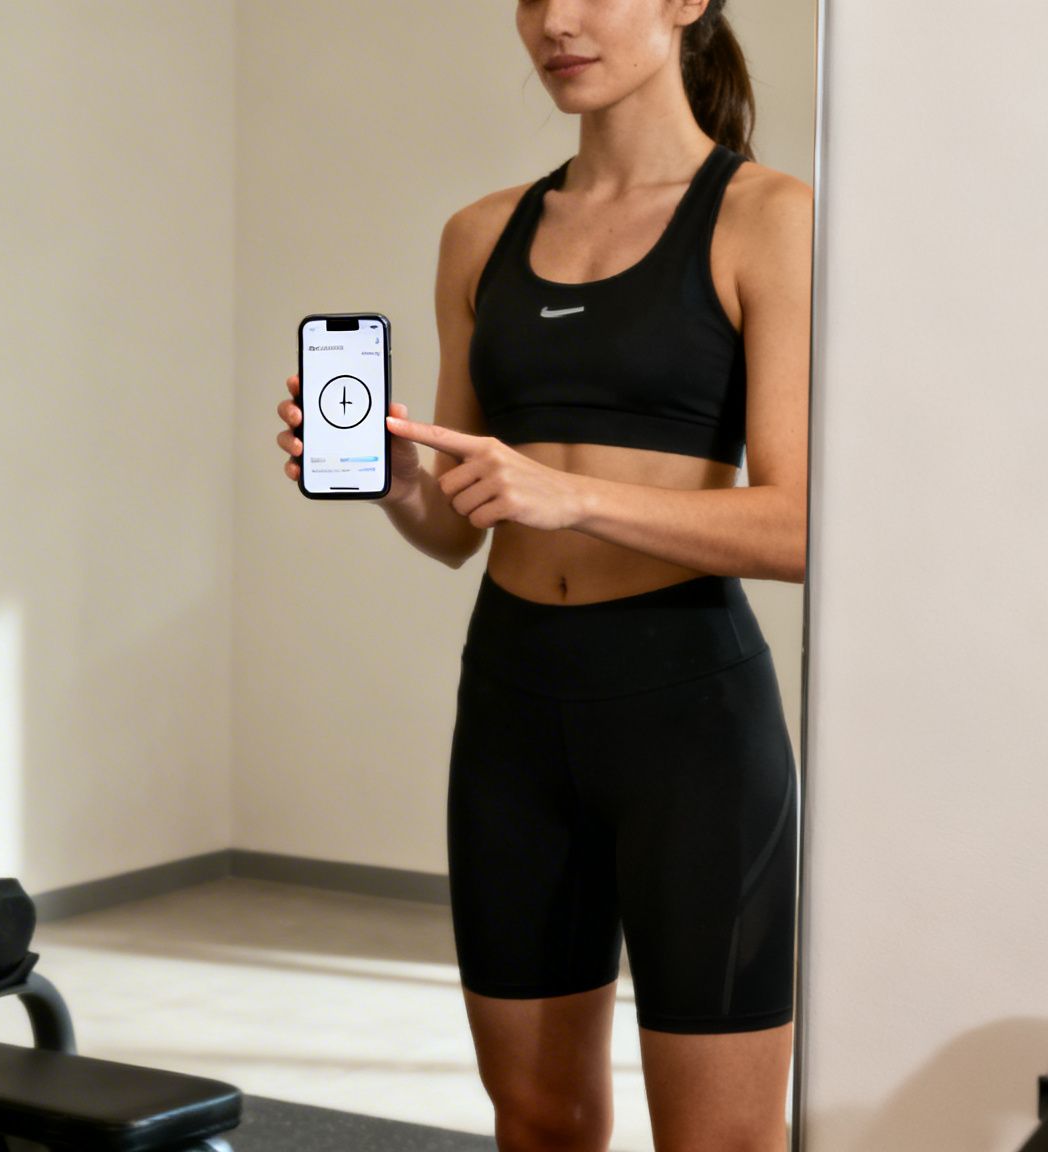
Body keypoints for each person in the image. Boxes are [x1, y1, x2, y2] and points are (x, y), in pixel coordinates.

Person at [276, 1, 809, 1149]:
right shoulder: (479, 234)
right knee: (536, 1117)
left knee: (716, 1142)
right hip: (514, 705)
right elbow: (457, 527)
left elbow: (803, 527)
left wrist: (571, 495)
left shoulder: (767, 219)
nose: (553, 22)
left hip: (690, 722)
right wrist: (387, 477)